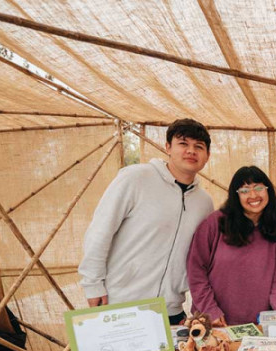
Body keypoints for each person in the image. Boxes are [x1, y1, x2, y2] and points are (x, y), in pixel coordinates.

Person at [78, 118, 214, 324]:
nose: (191, 151)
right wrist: (93, 284)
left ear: (207, 156)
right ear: (168, 147)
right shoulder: (135, 179)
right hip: (121, 305)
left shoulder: (204, 203)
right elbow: (100, 231)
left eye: (199, 147)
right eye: (183, 144)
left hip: (171, 311)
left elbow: (201, 257)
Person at [187, 166, 276, 326]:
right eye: (244, 190)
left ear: (268, 191)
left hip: (259, 325)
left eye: (259, 188)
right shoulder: (215, 223)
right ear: (235, 195)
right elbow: (196, 271)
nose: (253, 195)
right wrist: (210, 310)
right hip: (216, 322)